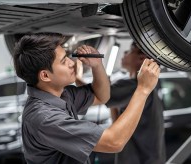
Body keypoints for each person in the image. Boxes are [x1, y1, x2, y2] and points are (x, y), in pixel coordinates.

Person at [13, 32, 160, 164]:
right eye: (64, 61)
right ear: (45, 75)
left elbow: (102, 96)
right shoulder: (45, 118)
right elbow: (114, 142)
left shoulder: (63, 95)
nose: (72, 63)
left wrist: (97, 66)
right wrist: (143, 90)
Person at [106, 42, 166, 164]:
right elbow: (117, 121)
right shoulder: (147, 89)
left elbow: (96, 95)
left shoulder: (133, 86)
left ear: (142, 58)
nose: (124, 53)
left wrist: (78, 74)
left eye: (130, 51)